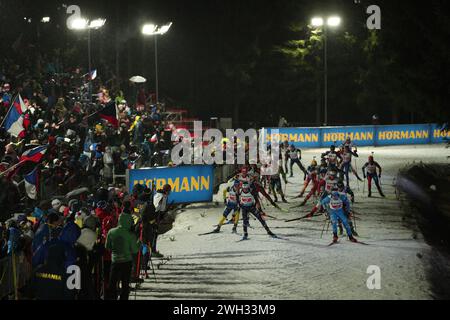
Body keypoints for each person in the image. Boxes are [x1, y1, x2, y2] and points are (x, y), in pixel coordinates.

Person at [105, 213, 140, 300]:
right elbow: (135, 250)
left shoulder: (111, 232)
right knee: (125, 284)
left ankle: (111, 298)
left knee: (112, 283)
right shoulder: (130, 234)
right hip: (126, 262)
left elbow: (107, 247)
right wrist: (138, 244)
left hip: (115, 261)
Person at [151, 184, 171, 257]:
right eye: (169, 191)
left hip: (156, 217)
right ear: (167, 190)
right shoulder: (161, 196)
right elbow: (157, 207)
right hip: (155, 217)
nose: (170, 193)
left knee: (154, 234)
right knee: (154, 234)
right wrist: (160, 215)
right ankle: (152, 251)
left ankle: (153, 250)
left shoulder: (160, 195)